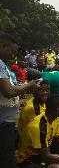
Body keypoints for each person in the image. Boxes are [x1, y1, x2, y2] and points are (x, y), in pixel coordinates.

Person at [0, 33, 39, 168]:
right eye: (12, 51)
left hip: (5, 119)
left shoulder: (3, 64)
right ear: (3, 45)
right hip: (3, 123)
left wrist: (17, 100)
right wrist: (29, 85)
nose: (14, 55)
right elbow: (8, 91)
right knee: (7, 161)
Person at [16, 94, 59, 168]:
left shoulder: (54, 117)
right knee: (56, 167)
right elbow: (46, 156)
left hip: (43, 151)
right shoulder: (38, 127)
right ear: (58, 110)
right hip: (28, 159)